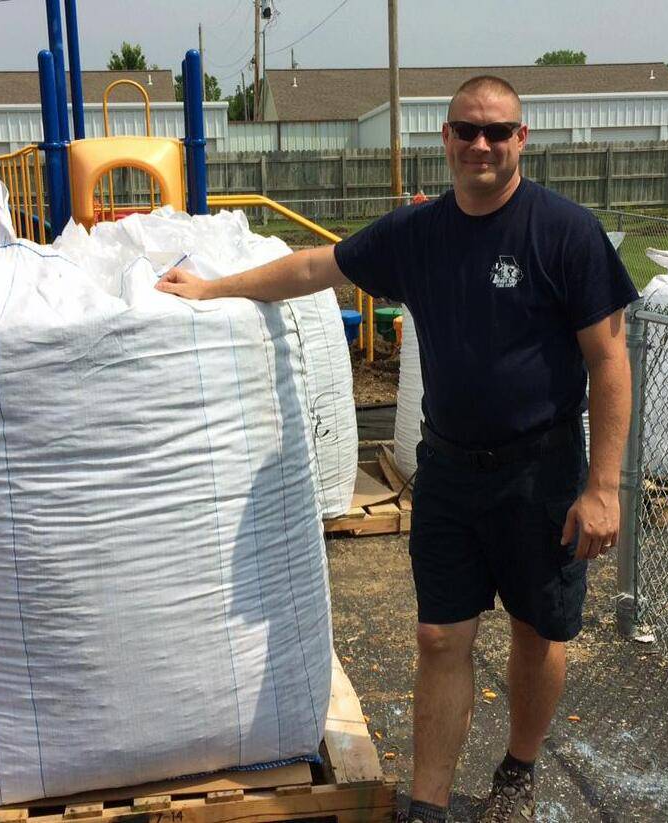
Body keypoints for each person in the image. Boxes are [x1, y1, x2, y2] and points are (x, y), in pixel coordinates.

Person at [157, 75, 638, 822]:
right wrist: (216, 289)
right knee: (438, 633)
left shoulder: (563, 233)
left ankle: (517, 771)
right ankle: (429, 803)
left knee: (536, 628)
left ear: (521, 139)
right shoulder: (419, 233)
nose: (481, 143)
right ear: (444, 139)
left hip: (540, 474)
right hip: (447, 469)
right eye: (466, 130)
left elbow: (609, 361)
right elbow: (317, 267)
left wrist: (601, 485)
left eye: (497, 131)